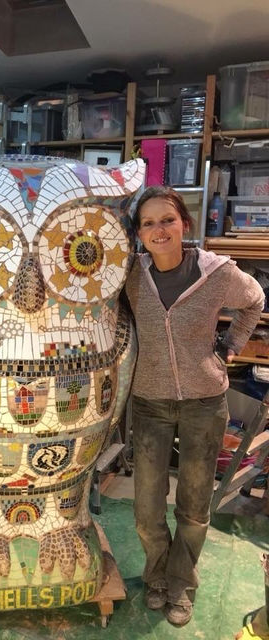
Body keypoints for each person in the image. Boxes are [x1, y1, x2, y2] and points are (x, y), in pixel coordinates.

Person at [125, 186, 265, 626]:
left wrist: (231, 344)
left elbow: (255, 301)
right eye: (148, 223)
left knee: (193, 503)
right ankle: (156, 576)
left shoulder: (217, 272)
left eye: (167, 219)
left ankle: (181, 582)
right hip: (149, 403)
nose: (159, 230)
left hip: (205, 403)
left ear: (184, 223)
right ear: (139, 234)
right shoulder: (131, 275)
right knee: (147, 507)